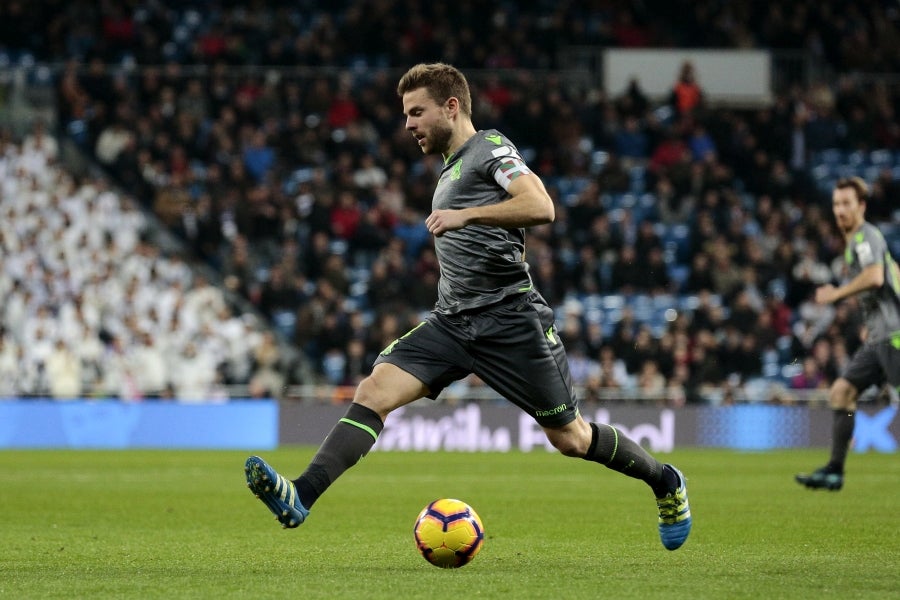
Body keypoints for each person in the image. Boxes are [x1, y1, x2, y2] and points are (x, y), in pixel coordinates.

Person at [245, 63, 692, 550]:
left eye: (417, 112)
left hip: (510, 319)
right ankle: (301, 495)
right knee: (373, 390)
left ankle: (665, 481)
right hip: (453, 322)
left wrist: (468, 215)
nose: (409, 124)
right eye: (406, 114)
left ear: (451, 106)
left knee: (572, 440)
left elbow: (542, 206)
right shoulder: (450, 168)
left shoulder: (490, 149)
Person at [795, 176, 900, 491]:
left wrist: (836, 294)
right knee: (841, 392)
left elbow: (876, 276)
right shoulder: (859, 242)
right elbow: (890, 272)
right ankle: (834, 470)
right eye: (836, 204)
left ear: (861, 206)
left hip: (894, 337)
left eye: (846, 204)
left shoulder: (864, 237)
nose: (839, 210)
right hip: (879, 337)